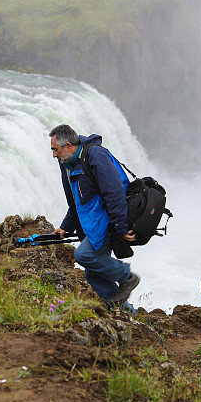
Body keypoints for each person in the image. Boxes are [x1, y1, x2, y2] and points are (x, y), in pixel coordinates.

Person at [49, 124, 140, 310]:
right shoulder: (67, 164)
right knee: (93, 275)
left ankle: (127, 277)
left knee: (84, 255)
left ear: (68, 145)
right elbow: (76, 201)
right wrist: (65, 226)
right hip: (93, 223)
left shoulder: (94, 155)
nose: (54, 155)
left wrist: (121, 228)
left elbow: (114, 192)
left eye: (55, 150)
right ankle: (124, 313)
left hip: (107, 222)